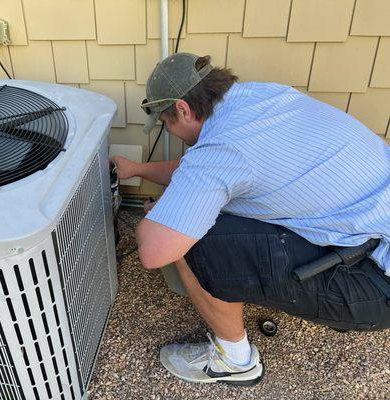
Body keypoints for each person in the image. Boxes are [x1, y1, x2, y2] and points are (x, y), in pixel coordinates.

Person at [111, 52, 390, 386]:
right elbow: (200, 171)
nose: (170, 132)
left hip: (373, 283)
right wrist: (138, 170)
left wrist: (159, 216)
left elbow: (155, 251)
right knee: (208, 213)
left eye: (167, 123)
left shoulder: (223, 148)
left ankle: (234, 360)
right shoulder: (261, 98)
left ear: (183, 110)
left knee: (196, 240)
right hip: (371, 236)